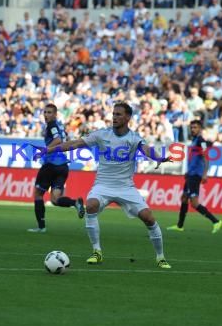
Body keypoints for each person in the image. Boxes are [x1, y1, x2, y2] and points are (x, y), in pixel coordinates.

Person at [41, 102, 172, 269]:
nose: (114, 117)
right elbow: (74, 144)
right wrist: (49, 150)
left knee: (148, 217)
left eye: (118, 114)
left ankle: (160, 257)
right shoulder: (102, 134)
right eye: (114, 114)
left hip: (126, 187)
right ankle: (97, 252)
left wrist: (159, 158)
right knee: (91, 206)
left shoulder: (134, 138)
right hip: (102, 184)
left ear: (128, 117)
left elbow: (146, 149)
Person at [29, 103, 85, 233]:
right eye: (45, 112)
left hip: (51, 164)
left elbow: (58, 140)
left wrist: (45, 151)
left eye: (49, 112)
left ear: (55, 114)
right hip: (63, 166)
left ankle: (41, 227)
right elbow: (62, 139)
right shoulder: (60, 125)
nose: (46, 115)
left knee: (38, 194)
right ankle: (74, 203)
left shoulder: (52, 125)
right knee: (55, 199)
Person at [167, 120, 222, 233]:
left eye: (195, 127)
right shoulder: (194, 141)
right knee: (184, 198)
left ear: (200, 129)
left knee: (194, 202)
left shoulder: (200, 141)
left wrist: (205, 173)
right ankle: (180, 226)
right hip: (191, 174)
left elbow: (206, 156)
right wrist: (188, 172)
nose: (193, 129)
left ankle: (216, 221)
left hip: (196, 175)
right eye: (191, 127)